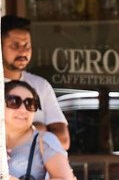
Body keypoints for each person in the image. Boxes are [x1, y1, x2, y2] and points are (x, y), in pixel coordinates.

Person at [2, 15, 70, 150]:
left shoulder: (41, 86)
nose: (23, 51)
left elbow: (63, 140)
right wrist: (38, 130)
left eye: (27, 45)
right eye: (15, 45)